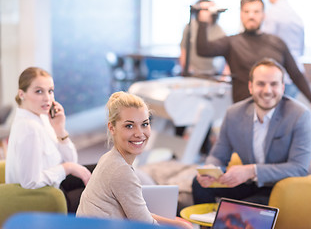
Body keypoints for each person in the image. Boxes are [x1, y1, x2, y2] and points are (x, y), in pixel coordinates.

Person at [192, 58, 311, 205]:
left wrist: (251, 171)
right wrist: (210, 170)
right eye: (261, 84)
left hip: (281, 187)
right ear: (250, 87)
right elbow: (218, 155)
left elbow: (299, 168)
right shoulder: (234, 114)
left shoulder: (299, 115)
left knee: (244, 209)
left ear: (282, 88)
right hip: (250, 183)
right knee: (199, 185)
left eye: (274, 84)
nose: (267, 91)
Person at [76, 92, 191, 229]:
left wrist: (179, 224)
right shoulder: (121, 171)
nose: (139, 133)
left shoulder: (109, 158)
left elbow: (141, 216)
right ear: (112, 128)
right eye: (129, 126)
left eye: (144, 124)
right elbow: (146, 225)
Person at [196, 0, 311, 109]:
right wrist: (203, 21)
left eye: (256, 11)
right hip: (243, 112)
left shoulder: (277, 43)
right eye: (247, 11)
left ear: (263, 15)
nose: (251, 16)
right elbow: (203, 49)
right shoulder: (231, 43)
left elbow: (295, 74)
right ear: (241, 14)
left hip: (274, 113)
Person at [5, 67, 93, 213]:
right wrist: (67, 168)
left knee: (104, 172)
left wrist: (59, 130)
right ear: (22, 94)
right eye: (39, 91)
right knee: (104, 196)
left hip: (56, 184)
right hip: (43, 197)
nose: (47, 98)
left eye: (50, 91)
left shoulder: (41, 117)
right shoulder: (29, 128)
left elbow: (71, 159)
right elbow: (30, 182)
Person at [262, 0, 305, 98]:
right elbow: (301, 50)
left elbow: (265, 44)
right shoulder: (296, 15)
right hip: (296, 74)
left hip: (280, 75)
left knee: (276, 113)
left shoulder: (272, 13)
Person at [179, 0, 228, 76]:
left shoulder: (220, 31)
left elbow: (227, 54)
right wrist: (186, 69)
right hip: (193, 73)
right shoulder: (189, 27)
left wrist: (224, 74)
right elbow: (183, 50)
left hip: (212, 74)